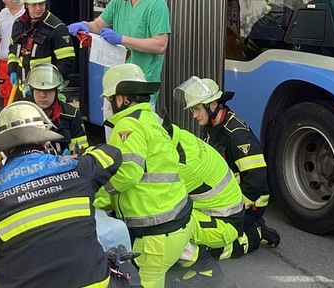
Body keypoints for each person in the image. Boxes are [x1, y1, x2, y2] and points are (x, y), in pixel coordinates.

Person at [0, 101, 124, 288]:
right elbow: (112, 154)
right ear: (45, 141)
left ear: (3, 149)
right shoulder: (79, 170)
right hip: (90, 282)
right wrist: (75, 158)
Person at [99, 63, 198, 288]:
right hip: (177, 223)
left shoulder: (128, 124)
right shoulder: (152, 121)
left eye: (108, 99)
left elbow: (127, 174)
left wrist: (92, 193)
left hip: (156, 234)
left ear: (120, 98)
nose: (107, 106)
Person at [176, 77, 280, 248]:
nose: (194, 115)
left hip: (247, 203)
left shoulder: (237, 135)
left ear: (213, 105)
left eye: (197, 109)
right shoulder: (212, 127)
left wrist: (235, 209)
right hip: (226, 195)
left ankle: (255, 232)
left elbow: (256, 179)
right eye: (193, 110)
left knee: (211, 244)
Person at [67, 0, 171, 95]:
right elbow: (97, 26)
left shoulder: (156, 4)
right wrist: (85, 25)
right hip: (114, 86)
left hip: (140, 88)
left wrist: (122, 39)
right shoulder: (117, 2)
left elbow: (160, 45)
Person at [162, 118, 243, 286]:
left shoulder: (180, 164)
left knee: (161, 220)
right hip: (224, 214)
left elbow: (157, 199)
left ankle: (205, 267)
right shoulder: (180, 137)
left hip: (222, 223)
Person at [7, 0, 75, 89]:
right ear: (26, 4)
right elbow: (13, 51)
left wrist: (43, 85)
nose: (38, 8)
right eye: (34, 5)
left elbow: (66, 63)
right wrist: (12, 69)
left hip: (46, 91)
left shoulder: (57, 28)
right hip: (22, 89)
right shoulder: (18, 24)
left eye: (41, 4)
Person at [26, 63, 88, 154]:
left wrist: (67, 158)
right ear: (32, 91)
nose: (43, 95)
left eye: (48, 90)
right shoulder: (22, 113)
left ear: (56, 91)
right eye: (38, 90)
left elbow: (80, 153)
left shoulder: (72, 115)